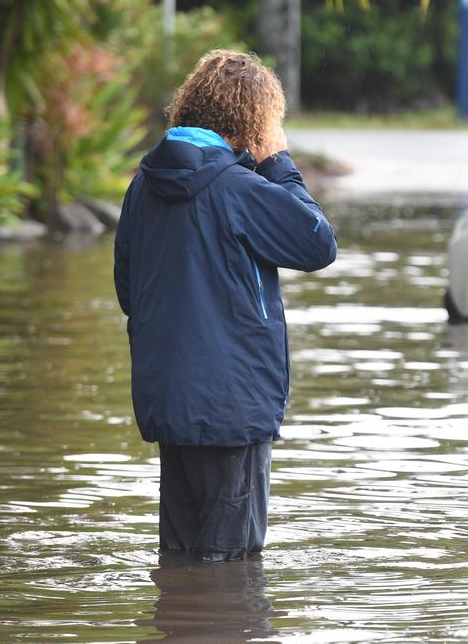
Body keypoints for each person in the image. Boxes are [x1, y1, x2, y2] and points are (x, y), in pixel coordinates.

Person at [114, 50, 337, 562]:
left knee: (181, 565)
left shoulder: (141, 187)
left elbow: (130, 292)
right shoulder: (240, 189)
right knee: (232, 581)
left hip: (170, 405)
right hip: (231, 410)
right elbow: (318, 243)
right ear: (254, 120)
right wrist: (279, 162)